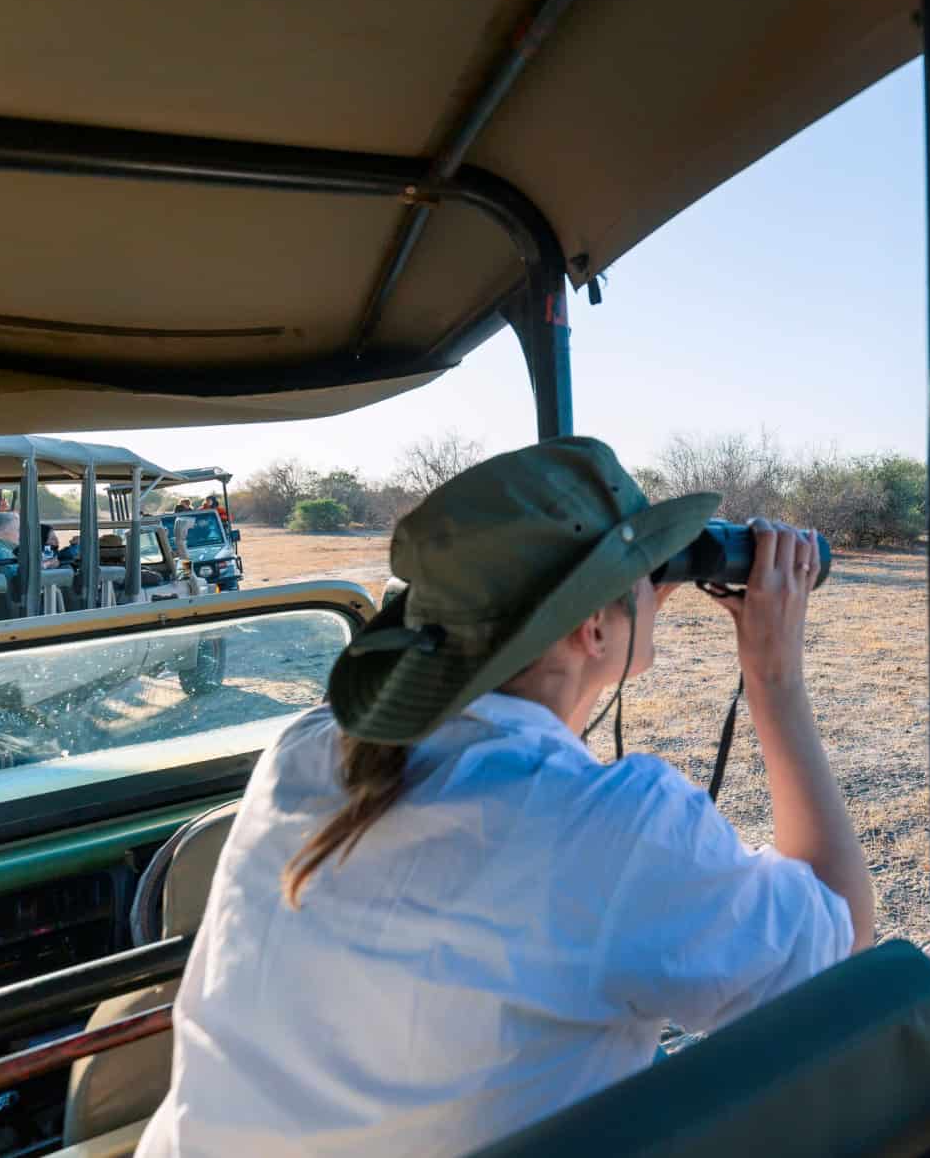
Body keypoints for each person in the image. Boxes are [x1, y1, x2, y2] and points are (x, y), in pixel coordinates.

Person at [140, 438, 871, 1156]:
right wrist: (775, 675)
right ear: (590, 626)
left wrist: (622, 599)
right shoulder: (610, 828)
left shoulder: (305, 747)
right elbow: (842, 947)